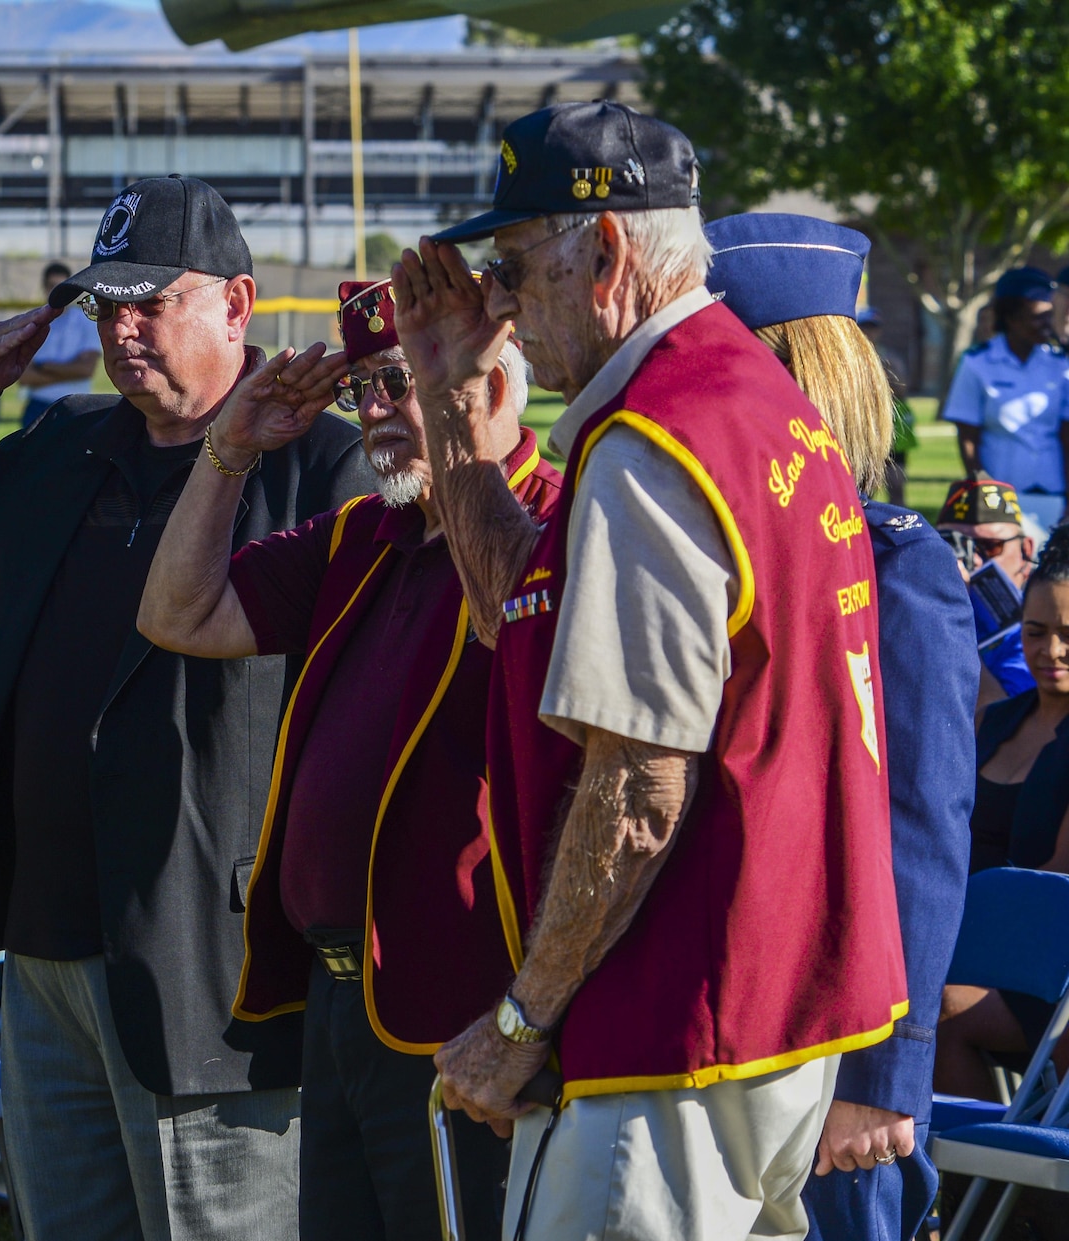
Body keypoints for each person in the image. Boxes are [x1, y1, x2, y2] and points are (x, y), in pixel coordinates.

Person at [388, 101, 906, 1240]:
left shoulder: (652, 437)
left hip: (675, 1021)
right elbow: (511, 617)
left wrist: (519, 1020)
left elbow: (634, 789)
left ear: (607, 250)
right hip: (769, 1016)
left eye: (516, 269)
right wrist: (447, 398)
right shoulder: (739, 399)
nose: (503, 305)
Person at [0, 174, 378, 1241]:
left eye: (148, 300)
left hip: (208, 955)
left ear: (235, 304)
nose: (119, 325)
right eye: (102, 301)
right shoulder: (63, 447)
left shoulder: (321, 460)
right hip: (41, 945)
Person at [138, 277, 555, 1239]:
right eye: (359, 389)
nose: (373, 413)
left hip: (465, 1011)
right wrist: (229, 451)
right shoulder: (363, 533)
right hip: (339, 1003)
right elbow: (175, 613)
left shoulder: (551, 520)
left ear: (491, 388)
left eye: (399, 382)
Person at [705, 211, 976, 1241]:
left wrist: (881, 1069)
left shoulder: (895, 565)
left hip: (832, 1054)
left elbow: (917, 827)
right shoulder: (723, 556)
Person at [937, 531, 1069, 1104]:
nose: (1051, 652)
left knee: (932, 1008)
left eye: (1068, 636)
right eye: (1036, 633)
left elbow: (1055, 879)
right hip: (956, 944)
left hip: (1043, 968)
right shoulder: (998, 719)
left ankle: (992, 1183)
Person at [943, 266, 1069, 533]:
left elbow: (1066, 434)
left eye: (1049, 317)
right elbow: (967, 435)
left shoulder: (1060, 365)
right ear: (1012, 318)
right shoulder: (978, 362)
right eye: (1038, 318)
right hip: (1000, 496)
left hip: (1053, 491)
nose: (1048, 325)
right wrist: (983, 487)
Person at [938, 479, 1039, 712]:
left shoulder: (1043, 614)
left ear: (1027, 550)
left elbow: (1005, 719)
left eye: (990, 546)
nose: (973, 559)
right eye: (954, 544)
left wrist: (955, 621)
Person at [18, 259, 101, 432]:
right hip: (37, 407)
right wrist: (70, 370)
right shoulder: (31, 322)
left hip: (75, 405)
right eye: (51, 286)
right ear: (44, 287)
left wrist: (43, 366)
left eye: (61, 286)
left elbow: (86, 370)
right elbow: (25, 377)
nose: (56, 292)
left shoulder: (86, 322)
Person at [857, 305, 914, 505]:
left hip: (891, 427)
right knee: (865, 485)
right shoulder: (851, 359)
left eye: (873, 327)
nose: (869, 332)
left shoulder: (890, 359)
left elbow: (902, 389)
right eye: (865, 327)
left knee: (896, 483)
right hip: (863, 427)